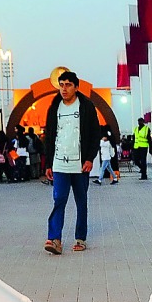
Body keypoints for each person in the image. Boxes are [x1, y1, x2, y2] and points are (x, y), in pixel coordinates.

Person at [43, 70, 100, 253]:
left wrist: (90, 158)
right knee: (59, 199)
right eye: (61, 85)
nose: (64, 89)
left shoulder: (86, 106)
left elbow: (94, 134)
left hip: (80, 165)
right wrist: (48, 163)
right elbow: (50, 136)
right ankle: (54, 239)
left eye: (68, 85)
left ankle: (81, 238)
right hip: (59, 163)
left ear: (76, 87)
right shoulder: (55, 107)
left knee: (81, 201)